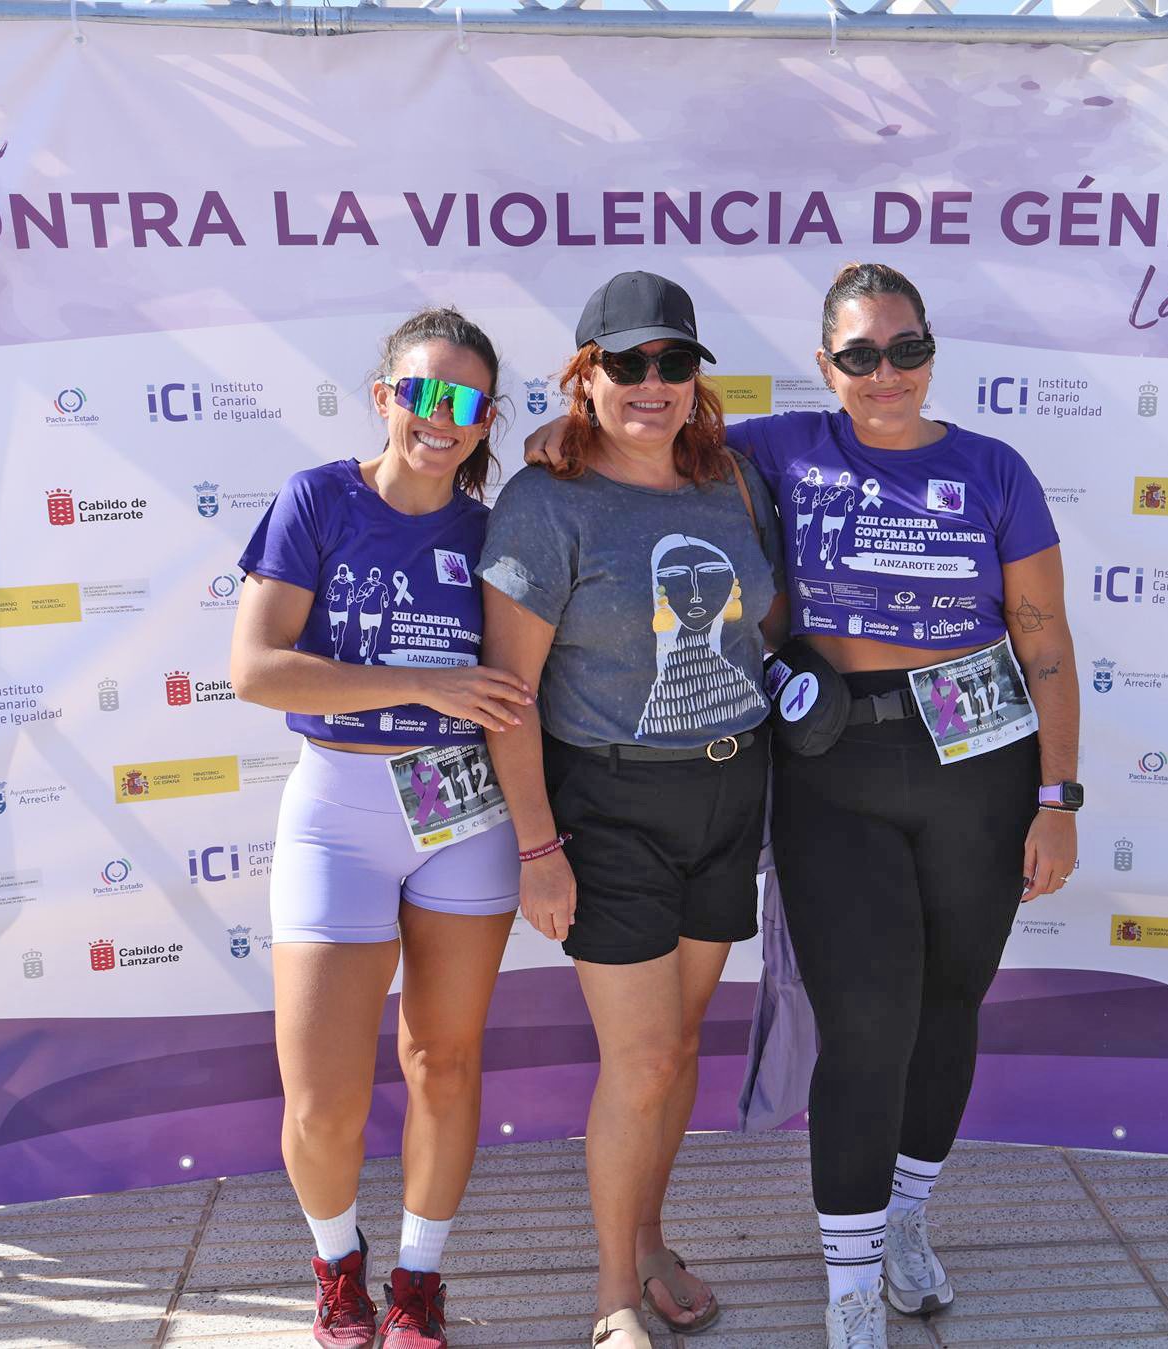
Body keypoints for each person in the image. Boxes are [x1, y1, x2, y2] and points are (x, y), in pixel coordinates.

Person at [526, 262, 1081, 1349]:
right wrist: (564, 442)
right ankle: (848, 1280)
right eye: (860, 354)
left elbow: (1046, 642)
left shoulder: (992, 466)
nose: (886, 373)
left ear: (930, 352)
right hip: (836, 766)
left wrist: (1057, 795)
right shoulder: (775, 449)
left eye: (905, 348)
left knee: (945, 1009)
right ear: (824, 366)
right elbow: (648, 443)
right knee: (866, 1021)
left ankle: (908, 1220)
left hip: (981, 761)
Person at [479, 271, 787, 1349]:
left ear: (695, 377)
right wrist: (537, 846)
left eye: (671, 362)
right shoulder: (547, 500)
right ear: (583, 375)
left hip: (727, 785)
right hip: (606, 801)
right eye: (625, 363)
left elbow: (767, 622)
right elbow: (506, 697)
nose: (649, 384)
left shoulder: (732, 483)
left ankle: (652, 1238)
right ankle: (612, 1290)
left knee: (680, 1042)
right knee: (642, 1057)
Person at [229, 309, 536, 1349]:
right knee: (322, 1099)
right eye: (423, 392)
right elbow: (255, 667)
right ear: (384, 397)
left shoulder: (495, 531)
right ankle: (335, 1264)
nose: (440, 417)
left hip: (463, 815)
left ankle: (416, 1279)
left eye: (466, 401)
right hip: (339, 810)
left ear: (487, 417)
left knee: (442, 1063)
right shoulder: (320, 498)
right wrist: (421, 682)